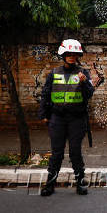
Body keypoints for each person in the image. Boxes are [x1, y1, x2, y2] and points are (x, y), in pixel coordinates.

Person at [39, 39, 94, 196]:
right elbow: (45, 94)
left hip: (77, 119)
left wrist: (84, 83)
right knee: (57, 153)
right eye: (68, 54)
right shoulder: (54, 73)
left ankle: (80, 184)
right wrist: (43, 114)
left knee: (75, 152)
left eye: (74, 54)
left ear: (77, 56)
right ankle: (50, 185)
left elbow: (89, 94)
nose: (71, 57)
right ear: (63, 55)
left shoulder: (83, 74)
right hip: (57, 119)